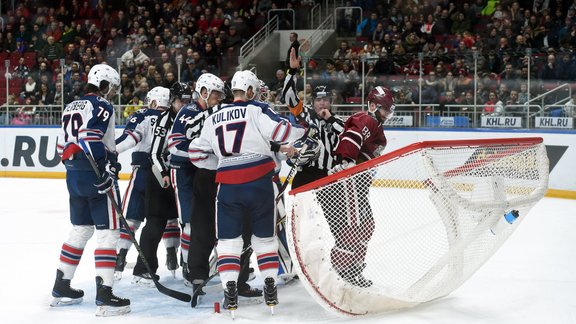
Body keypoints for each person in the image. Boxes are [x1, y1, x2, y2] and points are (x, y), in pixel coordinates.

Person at [188, 70, 309, 312]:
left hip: (227, 187)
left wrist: (223, 164)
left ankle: (230, 290)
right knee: (265, 239)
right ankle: (270, 289)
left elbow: (196, 153)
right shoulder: (256, 110)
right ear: (251, 91)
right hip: (259, 184)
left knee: (229, 242)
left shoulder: (213, 117)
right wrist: (302, 128)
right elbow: (282, 132)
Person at [52, 63, 130, 316]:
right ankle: (105, 295)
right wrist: (104, 169)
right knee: (108, 233)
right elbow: (89, 136)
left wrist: (76, 167)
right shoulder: (101, 105)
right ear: (104, 84)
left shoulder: (70, 106)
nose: (112, 92)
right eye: (112, 87)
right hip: (95, 173)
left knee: (81, 229)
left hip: (73, 174)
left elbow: (60, 147)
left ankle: (61, 285)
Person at [325, 86, 395, 288]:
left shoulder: (376, 126)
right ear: (373, 106)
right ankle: (341, 271)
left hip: (361, 182)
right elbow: (352, 135)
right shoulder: (367, 119)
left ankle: (355, 267)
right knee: (353, 227)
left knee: (366, 226)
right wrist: (347, 161)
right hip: (351, 180)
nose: (388, 113)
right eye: (385, 109)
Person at [113, 86, 180, 280]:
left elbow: (129, 139)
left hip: (143, 172)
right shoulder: (174, 118)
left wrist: (110, 152)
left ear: (152, 101)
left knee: (132, 218)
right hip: (167, 172)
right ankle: (172, 256)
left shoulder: (142, 115)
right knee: (170, 217)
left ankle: (120, 257)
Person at [131, 83, 184, 285]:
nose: (184, 104)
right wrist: (163, 172)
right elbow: (155, 152)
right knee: (158, 221)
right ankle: (145, 267)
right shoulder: (166, 118)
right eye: (181, 100)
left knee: (179, 222)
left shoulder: (185, 116)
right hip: (164, 175)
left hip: (173, 175)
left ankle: (185, 265)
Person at [283, 48, 345, 189]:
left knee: (332, 212)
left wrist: (330, 119)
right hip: (306, 174)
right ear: (312, 102)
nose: (322, 103)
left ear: (331, 102)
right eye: (318, 100)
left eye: (325, 100)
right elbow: (289, 97)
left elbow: (345, 134)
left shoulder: (339, 120)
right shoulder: (305, 114)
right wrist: (292, 71)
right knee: (300, 210)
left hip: (331, 175)